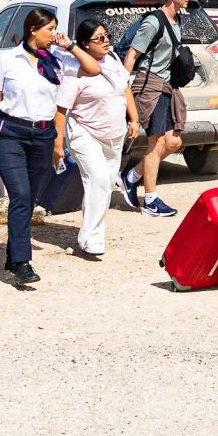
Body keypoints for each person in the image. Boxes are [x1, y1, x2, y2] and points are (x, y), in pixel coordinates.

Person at [0, 8, 63, 285]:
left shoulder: (56, 60)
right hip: (10, 133)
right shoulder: (7, 59)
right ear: (33, 30)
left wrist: (70, 45)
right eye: (49, 29)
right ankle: (22, 263)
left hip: (42, 135)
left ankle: (14, 253)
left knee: (30, 197)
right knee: (20, 194)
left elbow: (92, 68)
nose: (53, 34)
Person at [56, 20, 141, 258]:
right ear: (84, 44)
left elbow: (125, 89)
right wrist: (57, 143)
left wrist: (133, 119)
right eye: (99, 38)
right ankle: (89, 237)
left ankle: (93, 232)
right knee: (100, 181)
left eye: (107, 36)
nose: (106, 41)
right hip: (85, 133)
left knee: (100, 186)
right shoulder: (75, 69)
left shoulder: (113, 60)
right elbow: (62, 109)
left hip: (114, 135)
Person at [119, 0, 192, 218]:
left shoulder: (177, 22)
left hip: (168, 88)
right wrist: (121, 88)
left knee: (173, 142)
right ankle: (150, 200)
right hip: (150, 86)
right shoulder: (153, 22)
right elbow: (132, 56)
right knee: (157, 142)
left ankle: (131, 176)